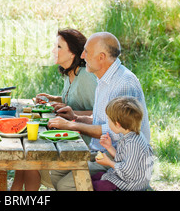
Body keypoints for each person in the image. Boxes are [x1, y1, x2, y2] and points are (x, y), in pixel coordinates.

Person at [47, 31, 151, 191]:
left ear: (101, 57)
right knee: (56, 173)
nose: (81, 56)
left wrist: (72, 126)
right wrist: (75, 117)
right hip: (101, 150)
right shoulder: (103, 79)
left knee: (66, 185)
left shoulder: (123, 83)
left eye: (86, 52)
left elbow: (115, 132)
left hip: (122, 158)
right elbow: (101, 121)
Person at [11, 29, 97, 191]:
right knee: (26, 156)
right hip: (69, 138)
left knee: (29, 158)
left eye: (59, 47)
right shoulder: (70, 74)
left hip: (84, 145)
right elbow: (74, 100)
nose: (53, 51)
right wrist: (54, 99)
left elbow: (100, 113)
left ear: (73, 53)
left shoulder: (86, 76)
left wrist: (72, 114)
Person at [93, 96, 154, 191]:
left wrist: (109, 162)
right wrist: (109, 147)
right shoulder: (129, 136)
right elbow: (123, 159)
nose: (108, 122)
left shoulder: (133, 143)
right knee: (96, 176)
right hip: (124, 177)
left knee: (97, 186)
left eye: (109, 120)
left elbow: (128, 171)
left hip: (131, 184)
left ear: (118, 124)